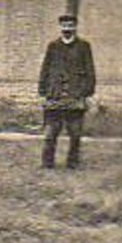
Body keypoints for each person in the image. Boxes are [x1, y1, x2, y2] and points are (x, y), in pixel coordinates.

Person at [39, 14, 97, 169]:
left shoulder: (84, 46)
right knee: (50, 133)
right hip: (55, 95)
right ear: (60, 27)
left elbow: (90, 71)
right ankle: (47, 163)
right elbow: (44, 70)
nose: (67, 29)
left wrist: (87, 94)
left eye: (70, 26)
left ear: (75, 27)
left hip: (75, 95)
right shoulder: (53, 46)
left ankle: (72, 163)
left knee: (75, 134)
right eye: (64, 26)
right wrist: (42, 93)